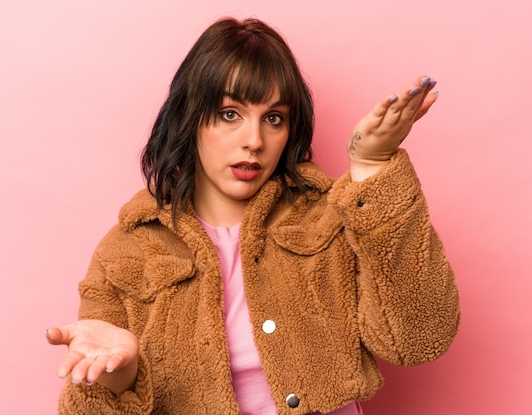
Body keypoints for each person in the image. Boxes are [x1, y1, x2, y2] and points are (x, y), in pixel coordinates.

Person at [46, 17, 460, 415]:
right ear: (190, 118)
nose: (254, 141)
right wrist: (121, 377)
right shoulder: (128, 248)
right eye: (230, 114)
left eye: (274, 119)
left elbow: (418, 338)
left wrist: (373, 168)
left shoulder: (329, 218)